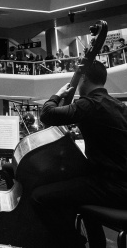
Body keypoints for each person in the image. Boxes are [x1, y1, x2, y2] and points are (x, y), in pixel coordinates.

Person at [32, 60, 127, 248]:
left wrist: (57, 95)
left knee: (39, 197)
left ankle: (74, 243)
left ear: (83, 78)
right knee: (74, 194)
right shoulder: (119, 105)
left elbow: (47, 114)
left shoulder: (90, 104)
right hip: (121, 184)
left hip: (111, 187)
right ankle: (96, 243)